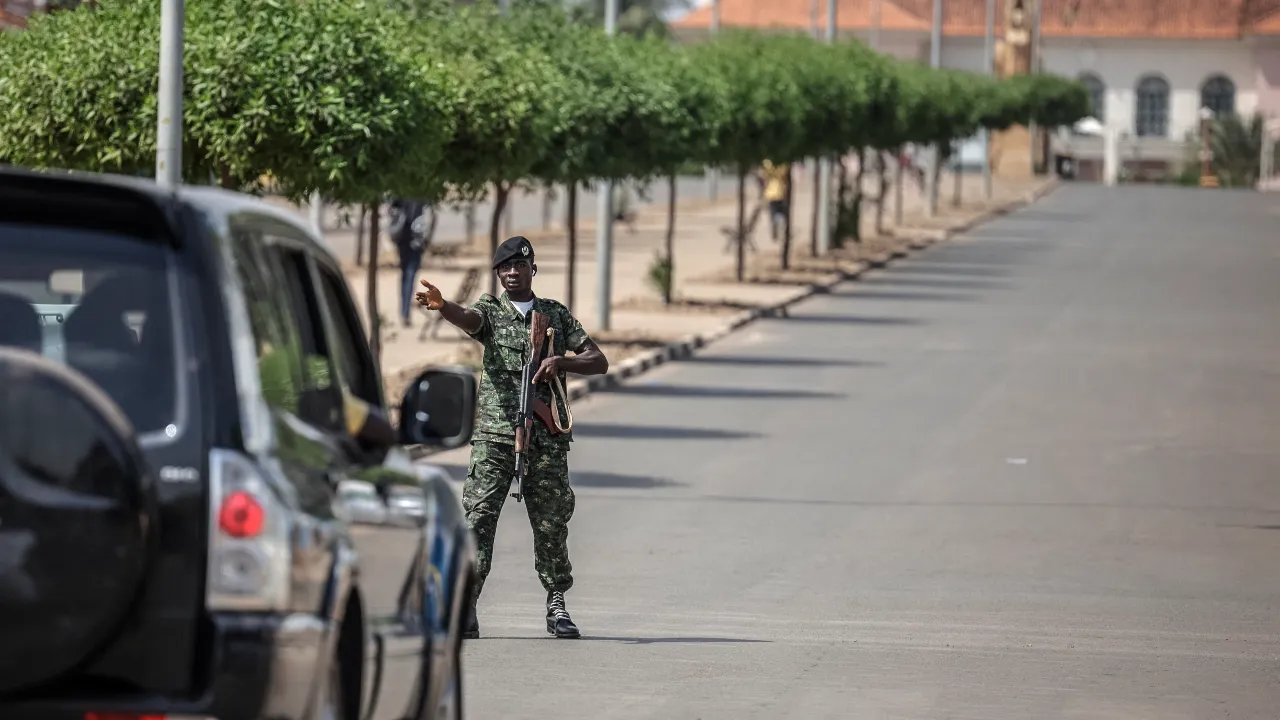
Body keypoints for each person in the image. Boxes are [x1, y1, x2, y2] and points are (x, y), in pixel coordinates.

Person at [415, 235, 609, 640]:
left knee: (552, 522)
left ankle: (557, 602)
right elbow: (470, 319)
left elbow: (598, 359)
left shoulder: (554, 315)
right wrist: (444, 306)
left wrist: (561, 360)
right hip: (495, 436)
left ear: (532, 269)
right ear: (498, 273)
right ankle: (466, 604)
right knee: (478, 519)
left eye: (519, 266)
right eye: (504, 267)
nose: (512, 273)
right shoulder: (491, 310)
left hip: (546, 438)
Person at [389, 198, 428, 327]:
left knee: (405, 274)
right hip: (414, 241)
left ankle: (404, 311)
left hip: (401, 239)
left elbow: (392, 208)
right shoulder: (419, 194)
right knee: (410, 274)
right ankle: (405, 312)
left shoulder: (401, 192)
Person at [760, 160, 791, 241]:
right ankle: (783, 230)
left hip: (770, 194)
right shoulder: (783, 165)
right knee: (784, 215)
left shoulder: (767, 163)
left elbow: (763, 177)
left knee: (773, 215)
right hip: (781, 192)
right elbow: (786, 176)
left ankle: (775, 231)